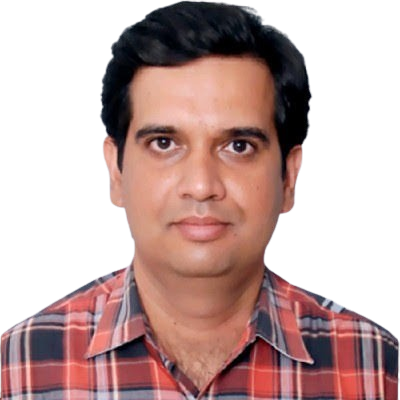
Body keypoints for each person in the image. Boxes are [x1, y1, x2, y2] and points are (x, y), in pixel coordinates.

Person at [1, 0, 398, 398]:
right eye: (164, 143)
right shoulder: (17, 367)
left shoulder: (376, 366)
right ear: (116, 172)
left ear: (289, 176)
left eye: (239, 146)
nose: (201, 185)